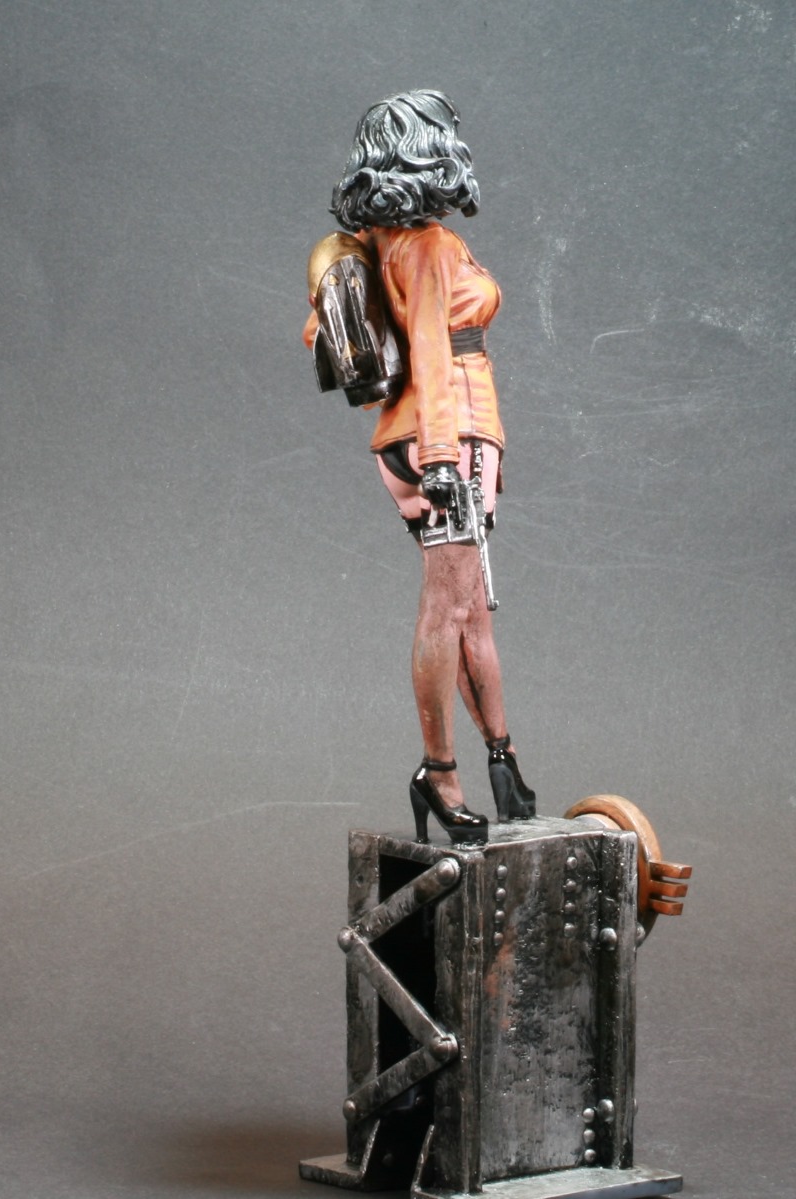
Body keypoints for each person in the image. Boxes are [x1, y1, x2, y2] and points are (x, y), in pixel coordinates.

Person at [304, 89, 535, 845]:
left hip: (406, 437)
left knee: (467, 608)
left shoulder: (374, 242)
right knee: (449, 609)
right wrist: (442, 458)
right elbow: (433, 352)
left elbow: (323, 332)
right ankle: (440, 775)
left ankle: (503, 763)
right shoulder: (429, 245)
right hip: (449, 432)